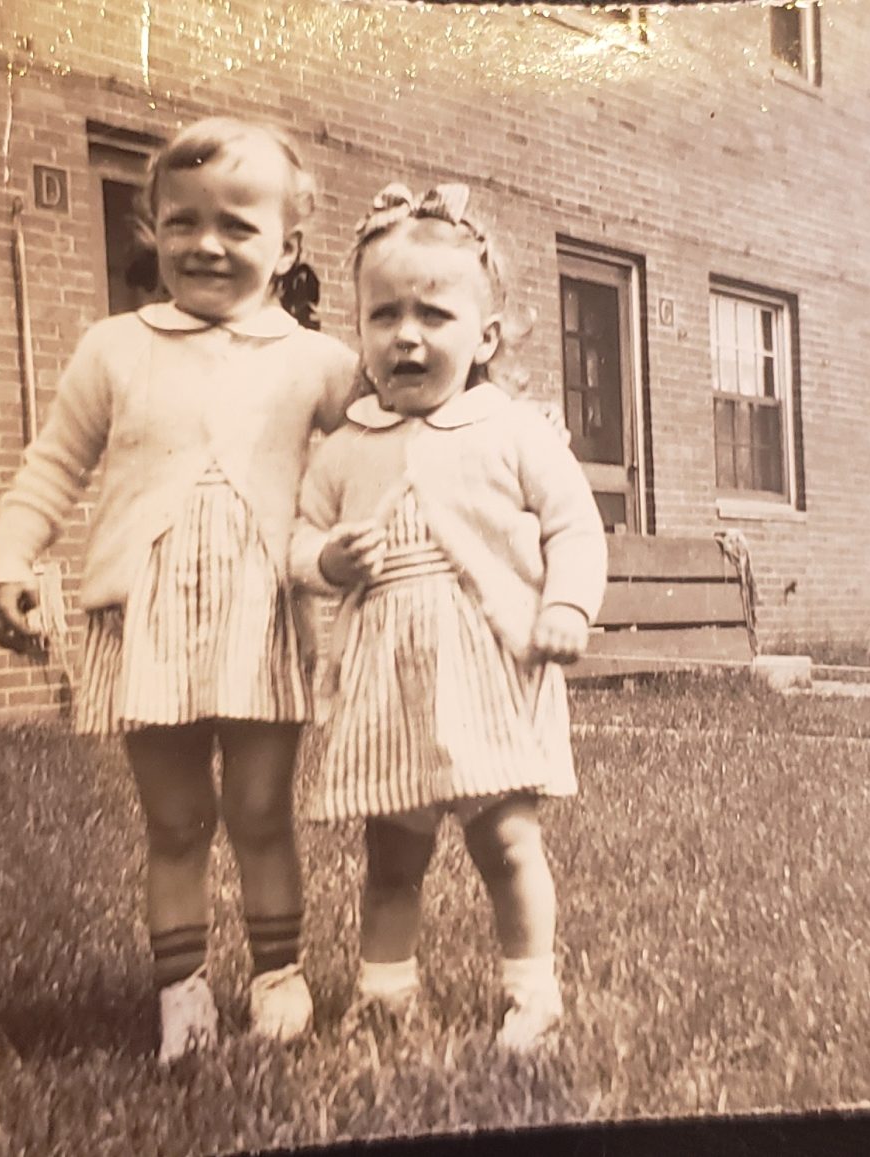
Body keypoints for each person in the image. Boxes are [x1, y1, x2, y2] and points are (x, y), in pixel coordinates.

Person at [0, 117, 358, 1063]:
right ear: (154, 224)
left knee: (263, 809)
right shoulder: (114, 347)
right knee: (177, 817)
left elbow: (389, 438)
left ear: (289, 247)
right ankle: (181, 993)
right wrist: (10, 562)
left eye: (238, 224)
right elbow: (52, 468)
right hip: (148, 615)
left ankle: (277, 976)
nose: (208, 244)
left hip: (263, 614)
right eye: (183, 221)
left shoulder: (318, 362)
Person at [289, 183, 608, 1052]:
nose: (408, 335)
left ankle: (531, 992)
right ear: (360, 333)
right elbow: (300, 535)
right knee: (392, 856)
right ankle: (385, 993)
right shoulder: (349, 444)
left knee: (506, 842)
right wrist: (325, 560)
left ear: (486, 337)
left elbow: (575, 525)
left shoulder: (511, 430)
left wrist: (568, 604)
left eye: (434, 313)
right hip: (390, 683)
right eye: (384, 314)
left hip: (488, 669)